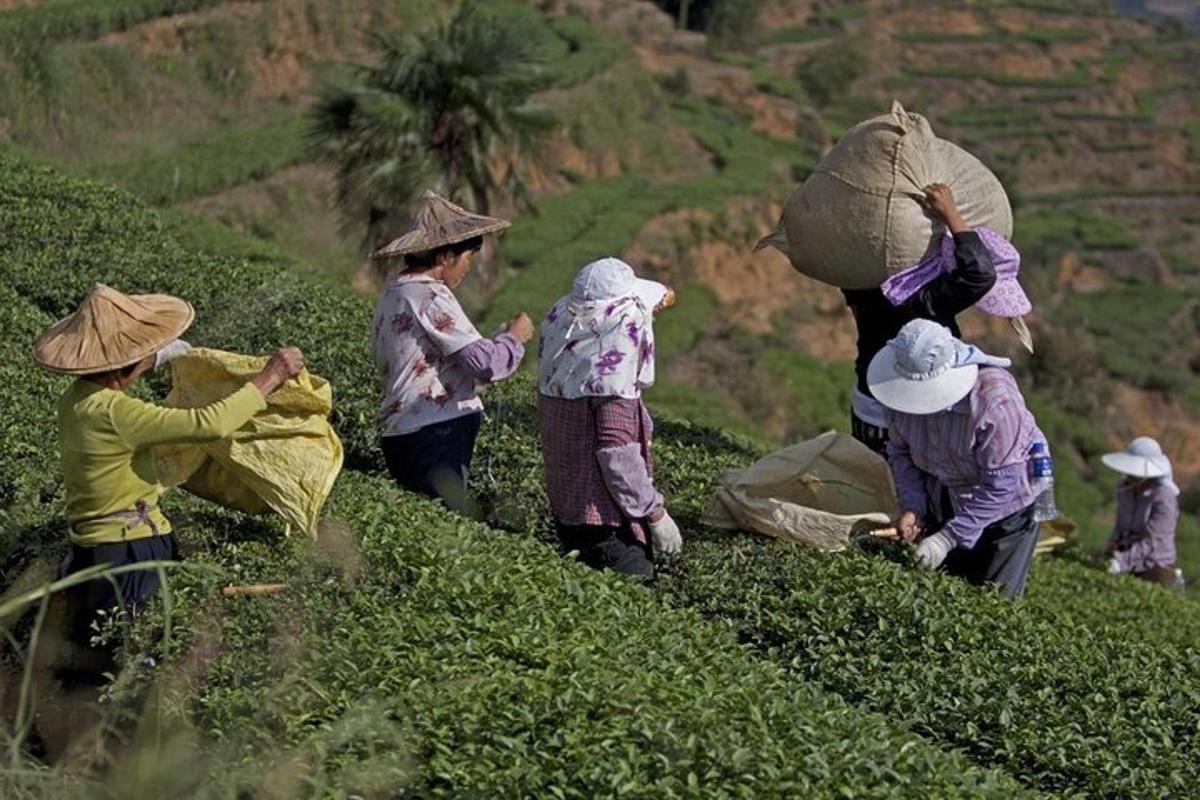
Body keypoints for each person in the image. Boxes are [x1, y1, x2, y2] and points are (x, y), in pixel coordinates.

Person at [34, 283, 304, 647]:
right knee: (134, 652)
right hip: (130, 551)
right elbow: (208, 423)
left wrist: (163, 356)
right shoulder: (118, 413)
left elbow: (121, 372)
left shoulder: (75, 401)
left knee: (96, 652)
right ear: (123, 366)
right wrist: (270, 377)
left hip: (92, 549)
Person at [371, 191, 534, 513]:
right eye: (468, 257)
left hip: (401, 430)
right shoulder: (430, 295)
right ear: (446, 255)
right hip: (434, 431)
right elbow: (485, 365)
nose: (467, 267)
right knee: (442, 525)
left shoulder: (395, 291)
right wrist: (515, 338)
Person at [868, 318, 1050, 598]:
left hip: (1012, 500)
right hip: (951, 486)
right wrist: (913, 507)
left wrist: (947, 538)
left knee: (995, 598)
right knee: (948, 587)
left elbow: (1002, 485)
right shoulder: (898, 397)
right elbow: (900, 451)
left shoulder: (994, 402)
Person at [844, 183, 1031, 457]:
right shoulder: (924, 301)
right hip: (909, 417)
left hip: (867, 407)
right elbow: (979, 274)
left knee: (874, 485)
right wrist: (951, 215)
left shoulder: (864, 284)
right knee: (910, 490)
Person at [537, 258, 682, 577]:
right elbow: (617, 455)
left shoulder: (570, 359)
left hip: (569, 511)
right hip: (607, 524)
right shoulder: (610, 382)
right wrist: (656, 514)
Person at [1101, 437, 1180, 587]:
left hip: (1153, 565)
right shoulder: (1124, 489)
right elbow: (1120, 527)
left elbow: (1152, 541)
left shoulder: (1164, 497)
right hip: (1122, 555)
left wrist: (1121, 562)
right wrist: (1111, 545)